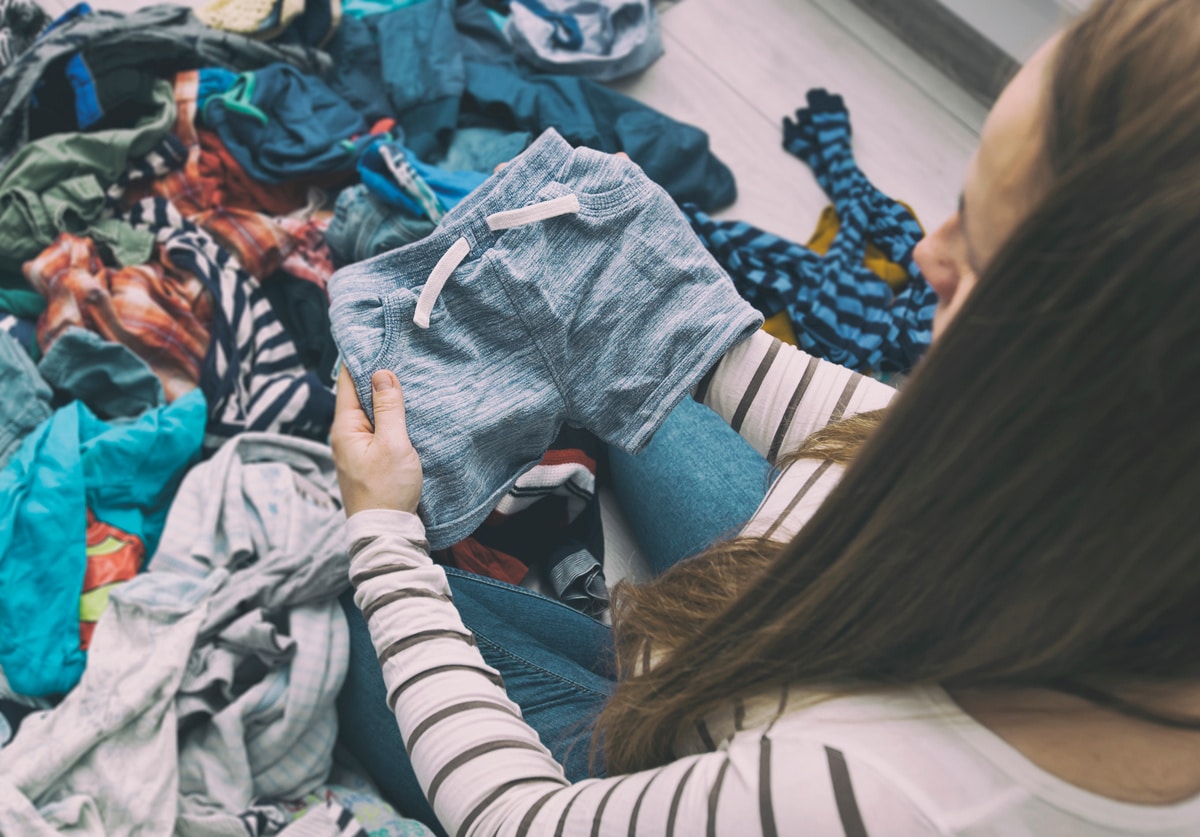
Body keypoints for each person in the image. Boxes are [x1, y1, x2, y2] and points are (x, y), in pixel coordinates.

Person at [331, 0, 1200, 833]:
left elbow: (525, 819)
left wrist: (381, 535)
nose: (928, 251)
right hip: (832, 632)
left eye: (976, 248)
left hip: (705, 756)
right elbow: (868, 435)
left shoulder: (869, 797)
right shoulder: (1144, 501)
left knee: (346, 610)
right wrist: (690, 335)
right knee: (648, 375)